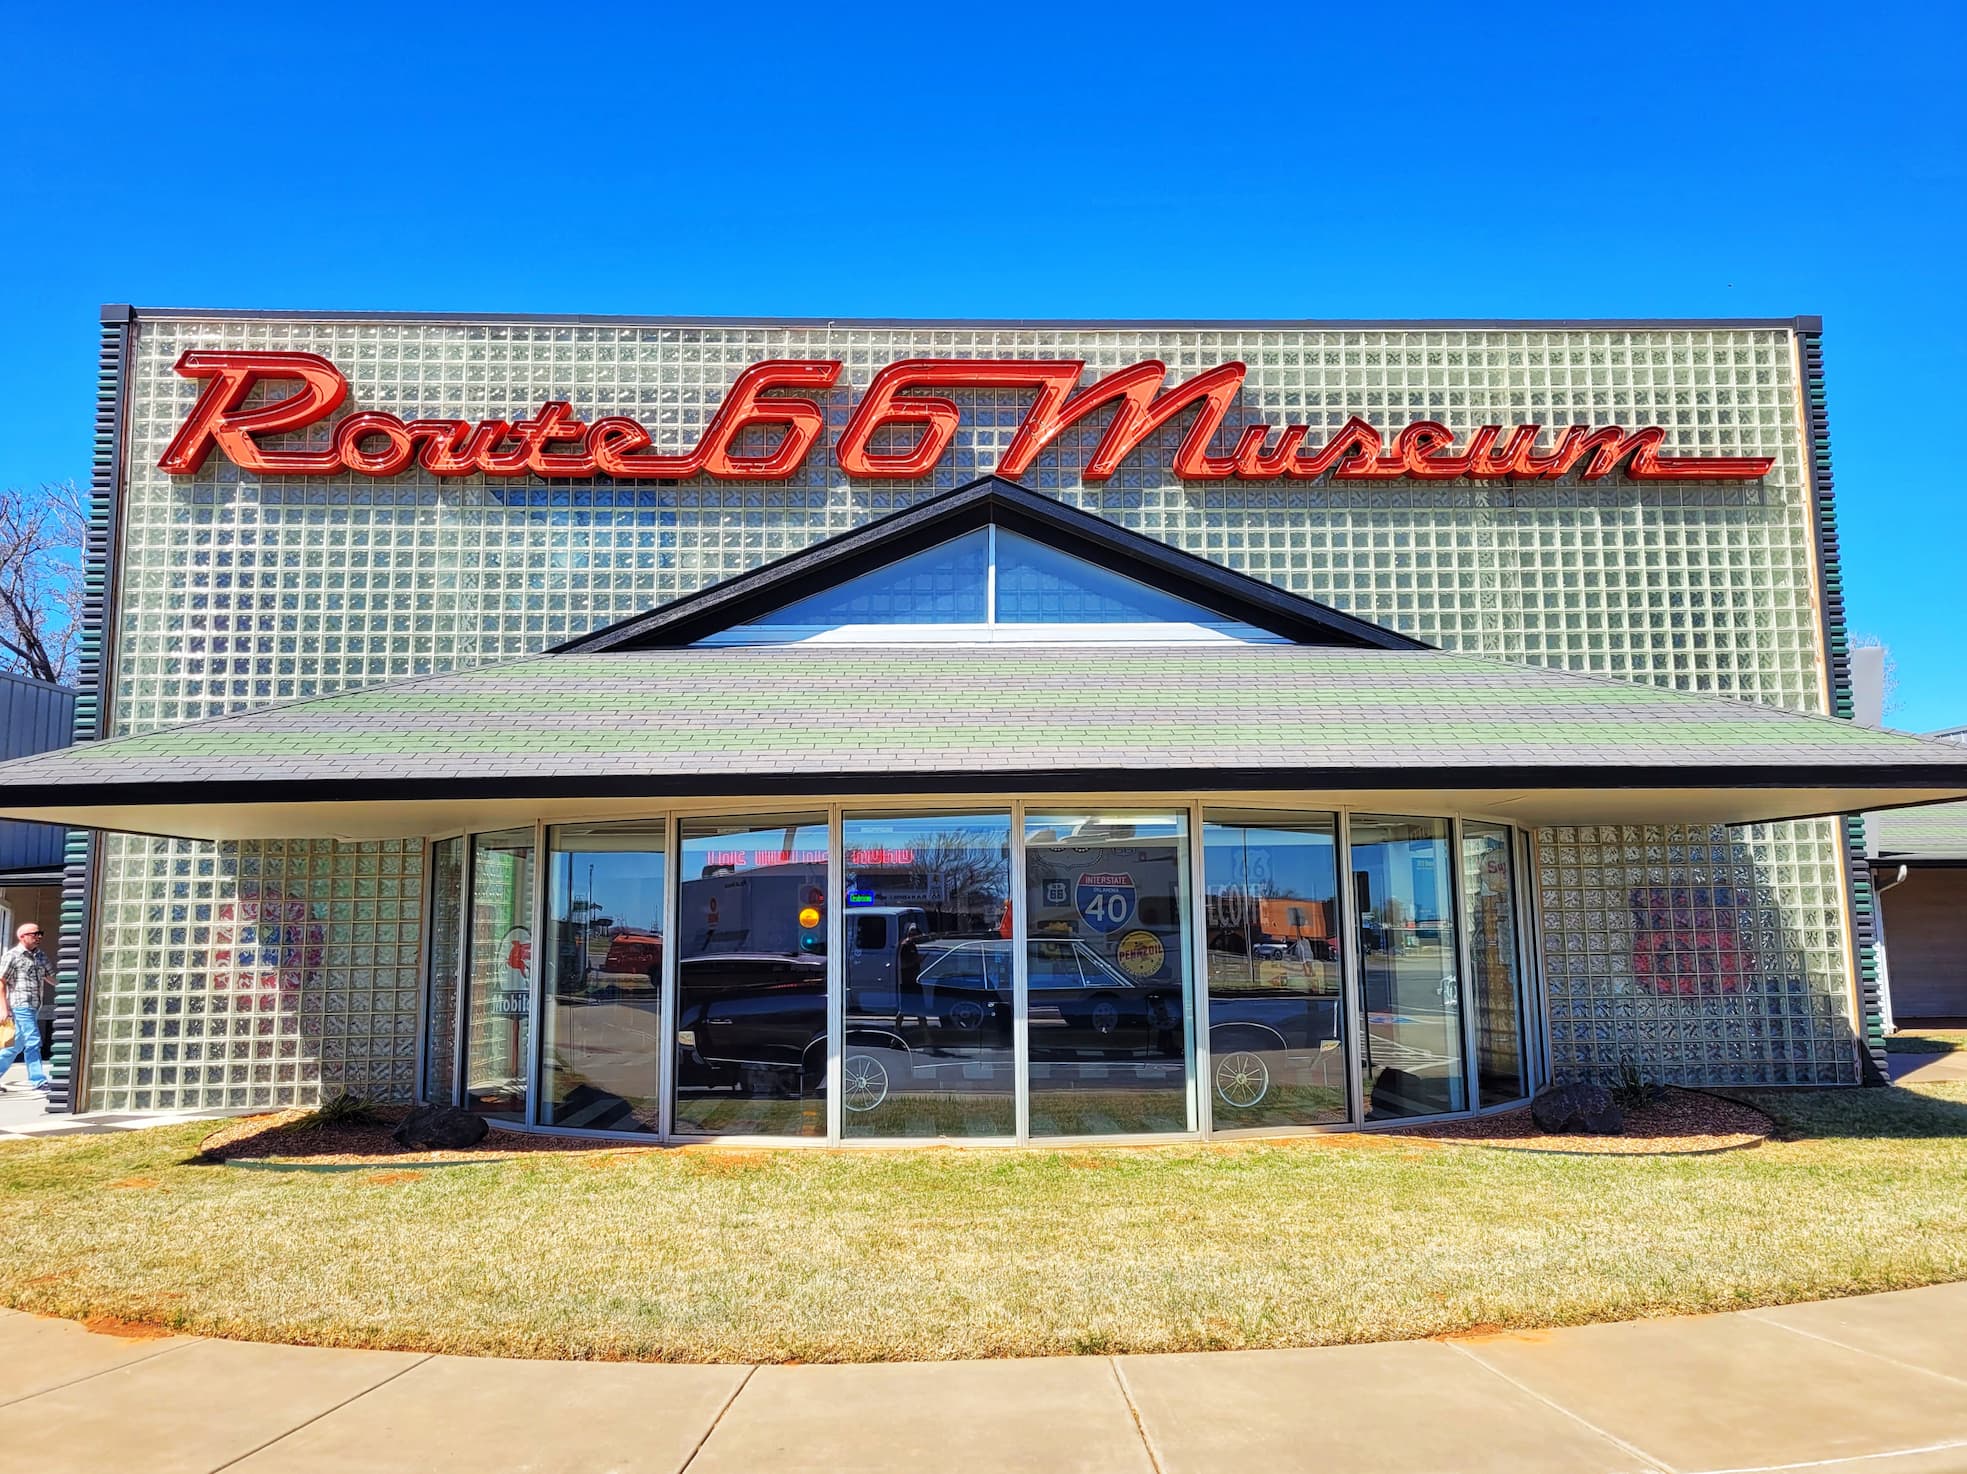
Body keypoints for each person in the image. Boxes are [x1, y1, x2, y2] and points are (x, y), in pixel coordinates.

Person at [0, 923, 54, 1094]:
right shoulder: (12, 956)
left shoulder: (40, 956)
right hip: (20, 1006)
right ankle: (38, 1080)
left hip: (35, 1006)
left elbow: (51, 977)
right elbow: (1, 981)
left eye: (40, 933)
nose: (38, 937)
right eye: (35, 934)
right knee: (33, 1041)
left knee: (14, 1047)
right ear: (22, 936)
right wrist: (3, 1008)